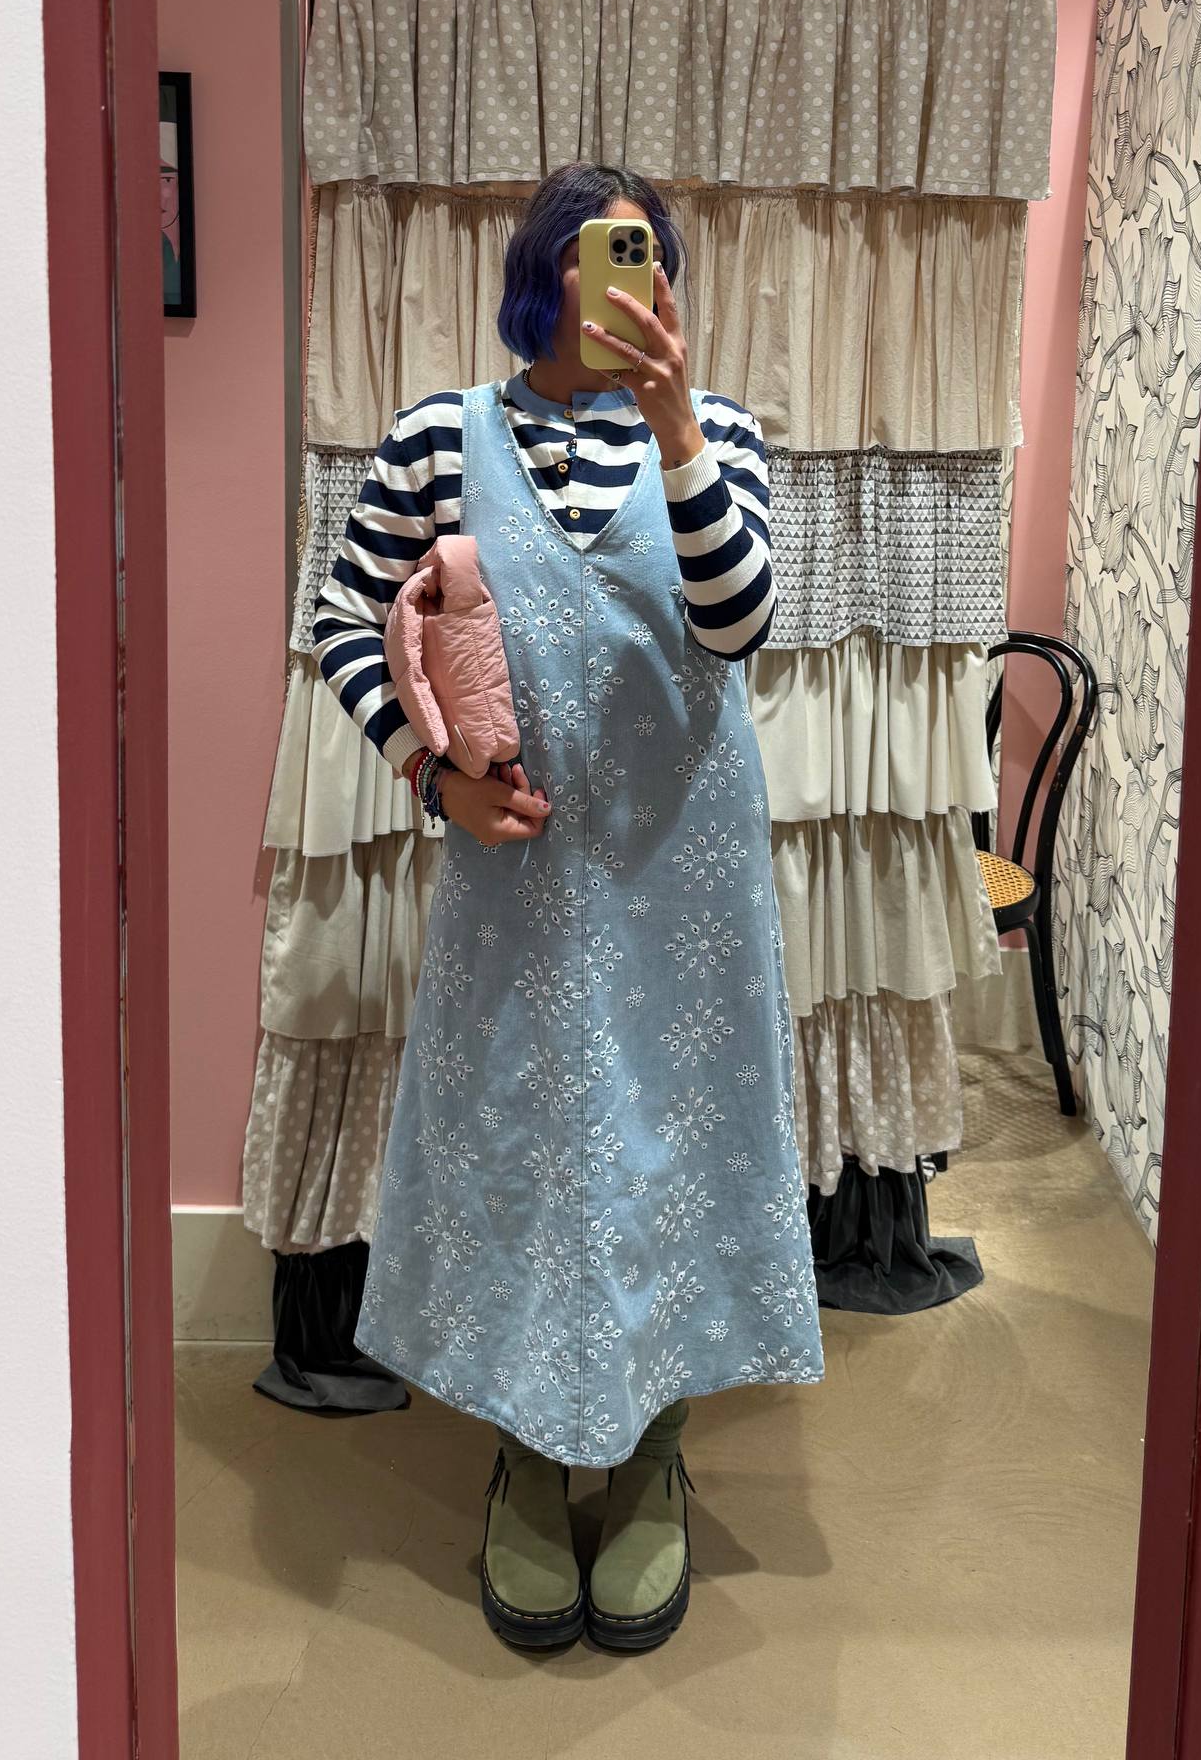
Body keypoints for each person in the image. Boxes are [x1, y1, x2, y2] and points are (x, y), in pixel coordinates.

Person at [311, 163, 824, 1653]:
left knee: (675, 1148)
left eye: (650, 262)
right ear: (544, 274)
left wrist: (677, 430)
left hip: (685, 879)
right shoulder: (438, 436)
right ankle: (531, 1453)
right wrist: (432, 777)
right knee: (523, 1144)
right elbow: (343, 617)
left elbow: (738, 624)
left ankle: (652, 1446)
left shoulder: (721, 434)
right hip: (517, 880)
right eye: (602, 259)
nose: (626, 287)